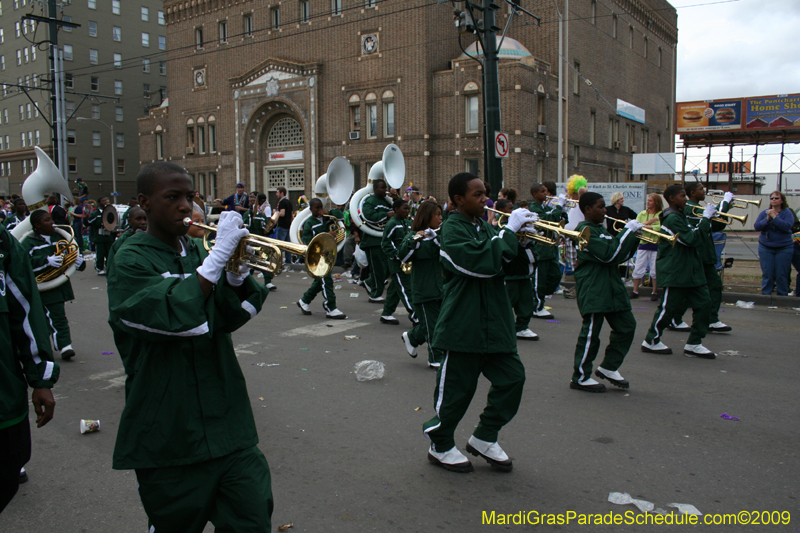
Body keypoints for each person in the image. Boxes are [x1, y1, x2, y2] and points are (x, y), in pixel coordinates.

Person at [107, 162, 273, 532]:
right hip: (169, 430)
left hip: (228, 423)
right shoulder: (129, 258)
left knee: (253, 517)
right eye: (173, 197)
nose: (186, 206)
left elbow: (224, 320)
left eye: (189, 196)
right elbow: (166, 316)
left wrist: (233, 277)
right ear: (144, 203)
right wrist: (216, 262)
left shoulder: (198, 252)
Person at [422, 173, 535, 473]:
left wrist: (520, 237)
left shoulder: (485, 227)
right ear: (459, 200)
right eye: (477, 194)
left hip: (495, 322)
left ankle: (485, 436)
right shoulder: (451, 230)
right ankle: (441, 443)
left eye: (485, 193)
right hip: (464, 323)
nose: (485, 199)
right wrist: (508, 232)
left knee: (513, 378)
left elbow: (505, 263)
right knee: (457, 393)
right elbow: (480, 265)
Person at [0, 223, 59, 514]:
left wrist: (40, 379)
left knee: (9, 473)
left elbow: (23, 310)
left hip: (3, 399)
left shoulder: (4, 243)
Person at [570, 193, 641, 392]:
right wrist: (626, 232)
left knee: (627, 326)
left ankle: (609, 367)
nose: (605, 211)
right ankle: (580, 377)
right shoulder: (584, 231)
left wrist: (634, 237)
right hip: (594, 286)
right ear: (587, 210)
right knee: (591, 333)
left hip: (612, 287)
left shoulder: (602, 230)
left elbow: (620, 255)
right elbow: (609, 255)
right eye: (601, 207)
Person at [641, 185, 717, 359]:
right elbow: (691, 239)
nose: (685, 199)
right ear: (672, 199)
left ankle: (694, 343)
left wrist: (708, 219)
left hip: (691, 270)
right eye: (682, 196)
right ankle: (651, 340)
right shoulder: (672, 218)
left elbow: (696, 235)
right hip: (676, 270)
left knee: (705, 304)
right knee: (668, 308)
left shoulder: (681, 215)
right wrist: (705, 219)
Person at [21, 210, 86, 360]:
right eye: (47, 220)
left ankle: (60, 345)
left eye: (51, 219)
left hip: (59, 285)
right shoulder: (29, 242)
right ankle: (56, 346)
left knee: (55, 317)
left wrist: (79, 262)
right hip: (41, 286)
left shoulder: (61, 237)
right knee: (48, 319)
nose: (52, 223)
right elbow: (23, 264)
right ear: (37, 225)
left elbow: (74, 254)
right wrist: (46, 260)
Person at [672, 183, 733, 332]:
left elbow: (717, 226)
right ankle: (675, 318)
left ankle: (711, 319)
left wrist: (723, 207)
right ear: (692, 192)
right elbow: (702, 227)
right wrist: (723, 203)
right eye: (700, 189)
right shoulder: (691, 208)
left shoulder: (698, 207)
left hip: (705, 254)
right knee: (690, 290)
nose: (703, 191)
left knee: (712, 286)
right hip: (697, 254)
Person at [397, 201, 445, 368]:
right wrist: (418, 240)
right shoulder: (412, 236)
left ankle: (412, 337)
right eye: (437, 215)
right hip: (425, 290)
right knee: (432, 326)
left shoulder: (441, 235)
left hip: (442, 288)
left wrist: (437, 239)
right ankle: (435, 358)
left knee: (439, 323)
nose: (440, 218)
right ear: (427, 217)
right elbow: (403, 256)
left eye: (441, 214)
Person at [495, 199, 539, 341]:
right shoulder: (503, 227)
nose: (512, 211)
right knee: (506, 304)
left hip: (525, 273)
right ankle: (499, 329)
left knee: (527, 303)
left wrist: (527, 241)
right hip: (511, 275)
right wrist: (512, 231)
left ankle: (522, 327)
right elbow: (504, 248)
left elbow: (531, 251)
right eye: (509, 208)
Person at [296, 198, 346, 319]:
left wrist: (328, 212)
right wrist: (327, 236)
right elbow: (307, 240)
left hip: (327, 254)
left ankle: (304, 300)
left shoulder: (327, 217)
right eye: (316, 208)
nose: (319, 210)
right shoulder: (309, 223)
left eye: (320, 207)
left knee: (320, 282)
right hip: (318, 256)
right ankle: (331, 307)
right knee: (326, 280)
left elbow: (341, 216)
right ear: (311, 209)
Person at [528, 182, 565, 319]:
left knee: (555, 276)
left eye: (546, 191)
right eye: (543, 191)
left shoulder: (545, 206)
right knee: (540, 281)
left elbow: (559, 220)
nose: (546, 194)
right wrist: (559, 206)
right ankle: (537, 307)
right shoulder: (534, 207)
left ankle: (539, 298)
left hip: (551, 249)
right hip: (541, 250)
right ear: (535, 194)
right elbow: (546, 220)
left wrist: (562, 211)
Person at [379, 198, 416, 325]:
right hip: (397, 262)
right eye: (405, 208)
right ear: (396, 209)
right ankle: (415, 315)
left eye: (408, 208)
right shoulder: (392, 224)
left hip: (406, 261)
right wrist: (398, 256)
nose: (407, 211)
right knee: (406, 289)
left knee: (395, 288)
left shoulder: (407, 222)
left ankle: (386, 313)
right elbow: (385, 243)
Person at [753, 191, 795, 296]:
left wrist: (775, 218)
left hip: (784, 247)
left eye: (776, 198)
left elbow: (787, 227)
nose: (774, 200)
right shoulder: (764, 213)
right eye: (772, 198)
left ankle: (782, 296)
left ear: (782, 200)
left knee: (782, 273)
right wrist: (767, 219)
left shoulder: (787, 213)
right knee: (768, 273)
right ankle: (766, 295)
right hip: (766, 246)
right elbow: (757, 226)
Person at [361, 178, 393, 303]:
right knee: (378, 269)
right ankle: (375, 294)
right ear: (375, 189)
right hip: (373, 240)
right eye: (382, 188)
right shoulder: (370, 201)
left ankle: (369, 283)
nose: (385, 190)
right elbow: (369, 216)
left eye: (385, 187)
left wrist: (395, 200)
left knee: (388, 268)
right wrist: (386, 215)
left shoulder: (386, 201)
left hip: (384, 239)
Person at [631, 193, 663, 301]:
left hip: (656, 244)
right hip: (643, 243)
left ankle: (654, 291)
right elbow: (637, 226)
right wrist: (649, 223)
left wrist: (645, 226)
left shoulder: (661, 214)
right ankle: (635, 290)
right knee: (638, 267)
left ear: (656, 202)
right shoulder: (642, 213)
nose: (648, 202)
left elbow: (660, 227)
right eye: (648, 200)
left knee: (654, 270)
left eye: (651, 201)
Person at [244, 193, 277, 291]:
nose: (252, 204)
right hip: (250, 242)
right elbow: (244, 226)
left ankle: (268, 282)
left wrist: (271, 226)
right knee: (249, 264)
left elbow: (266, 229)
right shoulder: (247, 214)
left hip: (260, 242)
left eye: (254, 202)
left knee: (264, 261)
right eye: (251, 202)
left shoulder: (261, 215)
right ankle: (246, 282)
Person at [86, 197, 116, 275]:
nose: (106, 202)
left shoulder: (111, 212)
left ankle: (109, 267)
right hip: (99, 236)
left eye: (107, 201)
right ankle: (99, 268)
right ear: (99, 203)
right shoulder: (96, 213)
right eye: (104, 201)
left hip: (108, 236)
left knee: (109, 253)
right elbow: (89, 222)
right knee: (100, 253)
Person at [274, 186, 293, 266]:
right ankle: (288, 262)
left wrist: (275, 212)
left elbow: (282, 213)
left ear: (282, 193)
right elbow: (291, 215)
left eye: (277, 192)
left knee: (280, 245)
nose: (276, 194)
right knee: (288, 246)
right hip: (288, 226)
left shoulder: (282, 202)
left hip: (282, 226)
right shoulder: (289, 202)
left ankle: (279, 262)